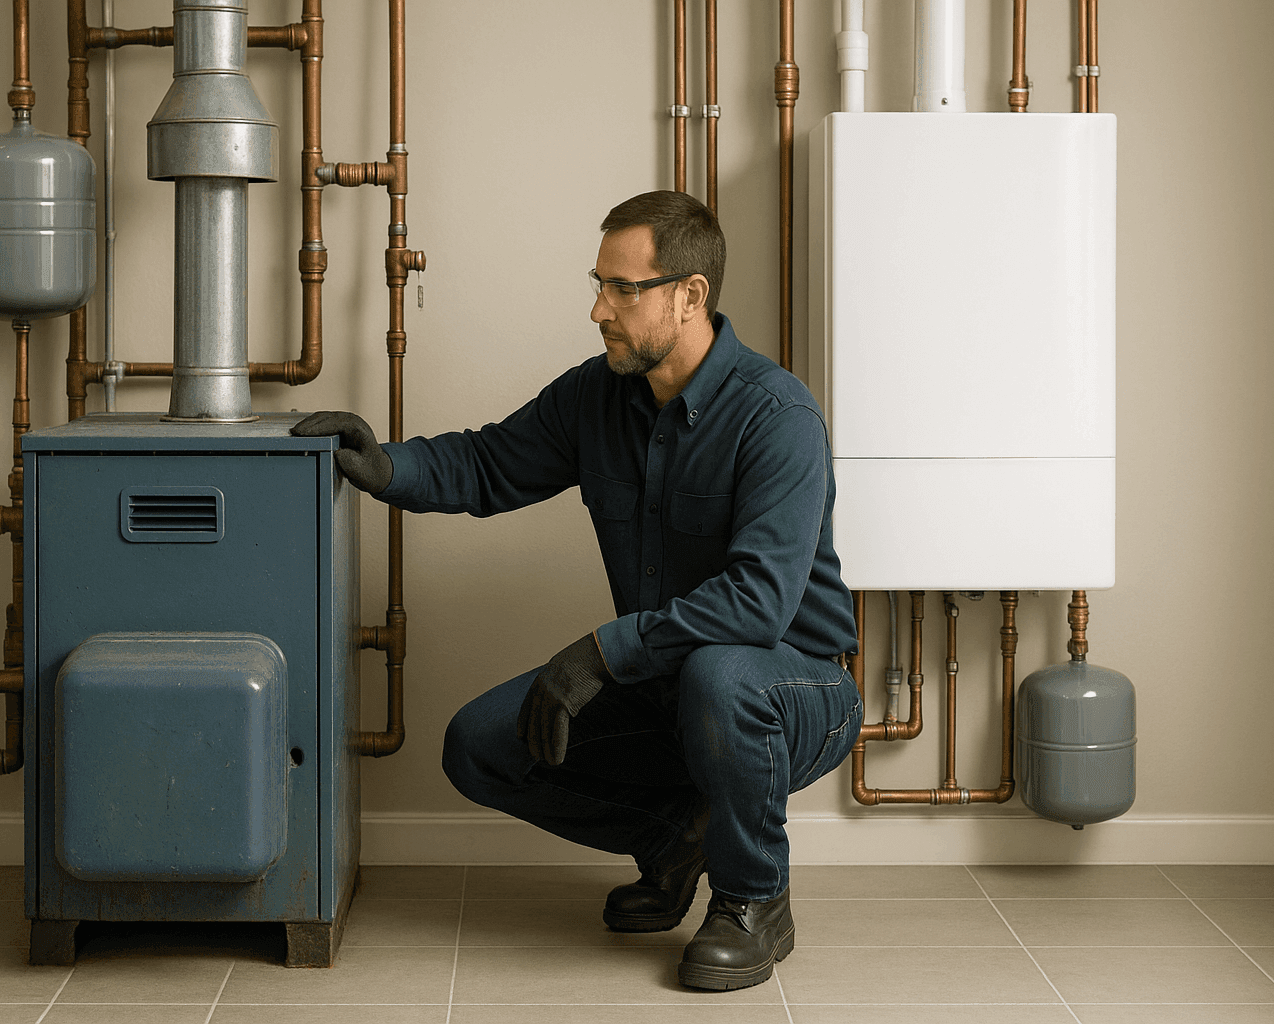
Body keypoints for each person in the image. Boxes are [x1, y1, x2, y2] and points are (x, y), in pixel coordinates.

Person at [292, 190, 862, 991]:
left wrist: (602, 651)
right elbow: (488, 463)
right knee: (482, 744)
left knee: (721, 672)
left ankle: (754, 897)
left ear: (690, 295)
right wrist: (385, 465)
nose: (599, 309)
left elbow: (758, 605)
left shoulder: (777, 417)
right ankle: (676, 839)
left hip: (793, 687)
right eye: (598, 283)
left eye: (622, 289)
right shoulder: (597, 395)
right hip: (670, 681)